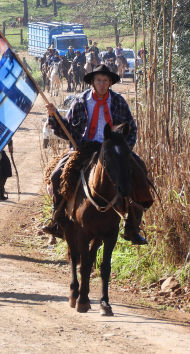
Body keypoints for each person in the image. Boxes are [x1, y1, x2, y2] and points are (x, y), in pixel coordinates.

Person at [40, 64, 150, 245]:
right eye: (98, 80)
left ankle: (132, 227)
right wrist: (54, 117)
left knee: (140, 173)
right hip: (83, 148)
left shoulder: (118, 102)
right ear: (92, 82)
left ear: (110, 83)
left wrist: (124, 150)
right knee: (57, 174)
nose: (102, 83)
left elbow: (132, 129)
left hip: (113, 150)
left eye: (105, 80)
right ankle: (57, 221)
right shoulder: (80, 101)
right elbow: (67, 130)